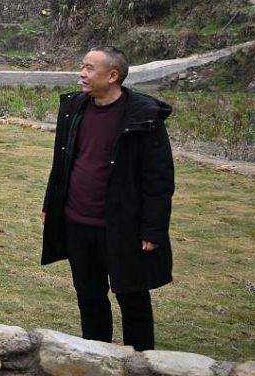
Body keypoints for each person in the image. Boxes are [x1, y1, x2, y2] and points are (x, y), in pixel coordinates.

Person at [41, 45, 175, 351]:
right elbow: (62, 161)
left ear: (112, 76)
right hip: (77, 221)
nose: (82, 74)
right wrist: (52, 204)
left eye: (89, 68)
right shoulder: (75, 107)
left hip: (122, 226)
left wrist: (153, 229)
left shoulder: (143, 116)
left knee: (133, 298)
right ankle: (96, 356)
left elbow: (159, 180)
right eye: (83, 66)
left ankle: (141, 363)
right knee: (89, 297)